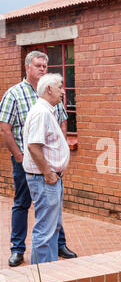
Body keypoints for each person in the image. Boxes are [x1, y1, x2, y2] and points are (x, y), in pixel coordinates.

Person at [0, 51, 76, 267]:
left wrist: (59, 151)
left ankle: (57, 248)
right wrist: (21, 156)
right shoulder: (15, 94)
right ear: (27, 67)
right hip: (33, 164)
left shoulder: (49, 100)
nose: (43, 68)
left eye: (45, 65)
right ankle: (18, 249)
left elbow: (62, 121)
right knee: (24, 205)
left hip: (45, 165)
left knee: (51, 213)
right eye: (38, 65)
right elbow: (5, 130)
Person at [23, 73, 70, 264]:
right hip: (45, 179)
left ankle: (50, 272)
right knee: (45, 230)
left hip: (49, 179)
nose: (63, 91)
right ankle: (42, 279)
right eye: (60, 87)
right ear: (49, 89)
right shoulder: (41, 112)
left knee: (52, 229)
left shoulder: (47, 110)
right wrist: (48, 173)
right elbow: (34, 146)